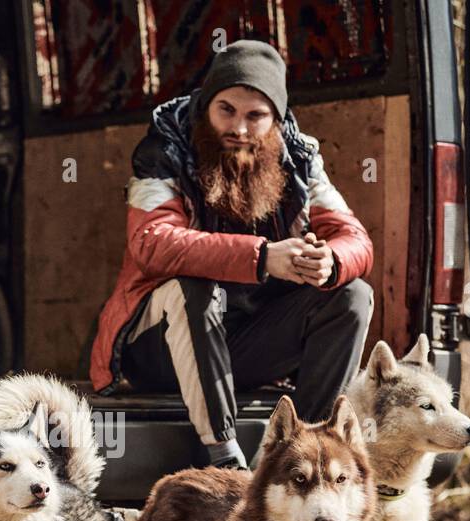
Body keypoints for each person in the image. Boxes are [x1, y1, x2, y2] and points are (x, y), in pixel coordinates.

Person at [90, 39, 375, 469]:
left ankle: (305, 453)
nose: (239, 128)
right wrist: (263, 258)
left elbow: (355, 238)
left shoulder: (300, 160)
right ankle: (225, 459)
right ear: (206, 105)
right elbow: (151, 241)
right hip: (161, 352)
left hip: (241, 348)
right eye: (226, 110)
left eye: (255, 116)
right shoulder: (162, 151)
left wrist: (330, 261)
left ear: (275, 121)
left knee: (351, 295)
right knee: (193, 286)